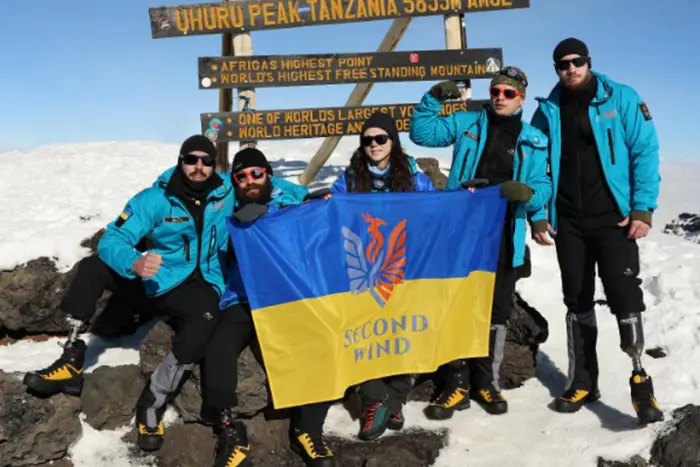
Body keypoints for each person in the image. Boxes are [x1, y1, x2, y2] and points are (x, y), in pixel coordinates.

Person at [23, 135, 235, 451]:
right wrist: (135, 262)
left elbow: (270, 186)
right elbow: (113, 239)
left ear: (214, 164)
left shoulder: (226, 191)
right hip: (156, 278)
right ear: (181, 160)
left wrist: (317, 197)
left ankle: (152, 401)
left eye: (206, 161)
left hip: (202, 283)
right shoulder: (154, 199)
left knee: (204, 322)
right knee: (94, 266)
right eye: (192, 159)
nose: (199, 167)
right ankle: (71, 359)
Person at [528, 38, 663, 424]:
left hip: (613, 219)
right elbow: (536, 165)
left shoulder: (620, 98)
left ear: (589, 61)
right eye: (562, 64)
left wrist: (642, 207)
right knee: (577, 298)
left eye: (577, 61)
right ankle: (584, 380)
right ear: (555, 68)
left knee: (624, 296)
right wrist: (538, 212)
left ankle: (641, 379)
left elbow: (645, 151)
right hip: (568, 220)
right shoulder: (548, 110)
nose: (571, 69)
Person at [409, 66, 551, 419]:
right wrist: (433, 99)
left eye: (509, 93)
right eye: (496, 91)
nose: (500, 98)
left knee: (497, 309)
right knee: (457, 303)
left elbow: (544, 188)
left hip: (504, 230)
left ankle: (487, 382)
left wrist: (528, 194)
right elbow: (422, 133)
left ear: (521, 97)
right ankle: (455, 385)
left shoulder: (534, 139)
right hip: (462, 227)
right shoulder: (467, 122)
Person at [202, 147, 335, 467]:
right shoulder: (226, 209)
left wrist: (320, 208)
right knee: (218, 348)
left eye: (256, 173)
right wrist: (241, 227)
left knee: (320, 345)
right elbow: (220, 244)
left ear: (268, 174)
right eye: (241, 176)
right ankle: (230, 431)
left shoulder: (293, 200)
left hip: (287, 297)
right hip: (244, 297)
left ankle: (309, 430)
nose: (249, 181)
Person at [329, 110, 435, 441]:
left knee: (407, 329)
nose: (373, 145)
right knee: (367, 333)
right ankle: (375, 401)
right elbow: (329, 212)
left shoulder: (414, 177)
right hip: (364, 268)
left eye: (381, 138)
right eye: (367, 140)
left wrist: (468, 200)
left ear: (393, 141)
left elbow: (436, 210)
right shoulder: (349, 179)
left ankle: (396, 398)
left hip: (407, 267)